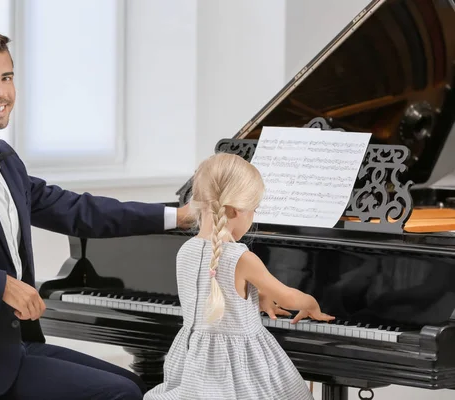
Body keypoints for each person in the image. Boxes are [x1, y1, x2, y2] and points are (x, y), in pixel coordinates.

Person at [0, 26, 192, 400]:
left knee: (145, 387)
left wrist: (178, 215)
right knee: (120, 394)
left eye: (6, 77)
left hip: (18, 346)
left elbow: (79, 211)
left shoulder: (8, 162)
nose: (0, 92)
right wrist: (0, 284)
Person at [144, 153, 335, 400]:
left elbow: (218, 288)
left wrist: (259, 294)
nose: (254, 216)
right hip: (238, 368)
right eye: (254, 210)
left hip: (194, 364)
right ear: (236, 211)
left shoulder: (185, 251)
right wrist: (310, 303)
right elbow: (288, 298)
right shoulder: (242, 257)